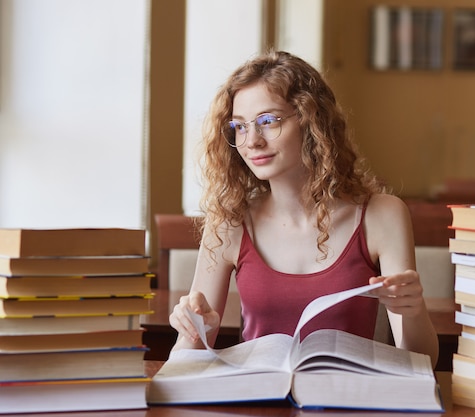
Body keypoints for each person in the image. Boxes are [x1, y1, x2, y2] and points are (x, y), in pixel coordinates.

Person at [169, 50, 439, 366]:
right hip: (259, 401)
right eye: (239, 126)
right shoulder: (229, 222)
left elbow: (421, 361)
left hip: (347, 401)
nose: (251, 141)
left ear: (311, 121)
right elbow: (183, 365)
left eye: (268, 121)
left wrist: (413, 309)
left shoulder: (382, 215)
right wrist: (194, 330)